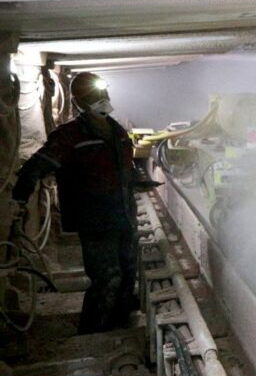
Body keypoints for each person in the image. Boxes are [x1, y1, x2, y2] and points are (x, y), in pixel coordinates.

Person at [11, 72, 153, 333]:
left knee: (127, 273)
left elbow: (125, 167)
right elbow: (37, 165)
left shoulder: (117, 130)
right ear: (79, 103)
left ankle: (121, 326)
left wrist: (138, 180)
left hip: (122, 214)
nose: (102, 99)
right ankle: (94, 331)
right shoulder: (69, 135)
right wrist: (17, 202)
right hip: (95, 220)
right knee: (106, 278)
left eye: (103, 94)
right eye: (94, 96)